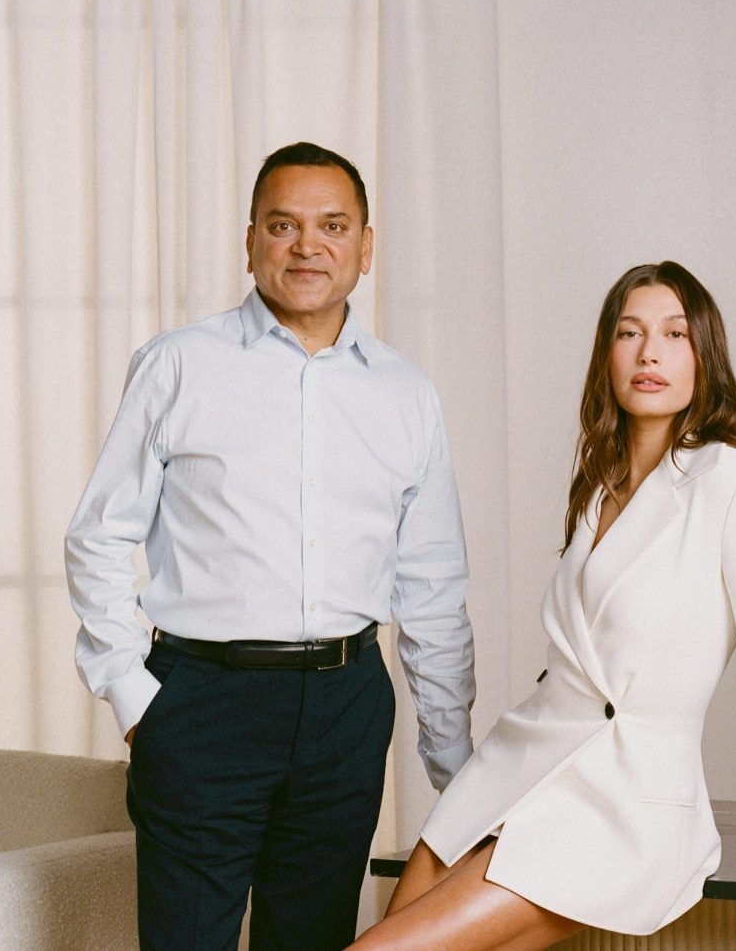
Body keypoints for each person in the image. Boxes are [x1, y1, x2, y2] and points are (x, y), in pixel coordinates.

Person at [351, 262, 736, 949]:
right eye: (630, 333)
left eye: (674, 334)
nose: (649, 353)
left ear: (704, 355)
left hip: (619, 803)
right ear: (607, 355)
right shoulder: (597, 486)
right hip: (511, 771)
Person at [65, 142, 476, 951]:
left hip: (347, 708)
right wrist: (138, 703)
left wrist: (455, 762)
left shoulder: (406, 394)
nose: (307, 246)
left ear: (365, 246)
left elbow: (433, 587)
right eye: (283, 225)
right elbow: (98, 536)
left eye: (332, 226)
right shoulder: (179, 365)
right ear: (250, 242)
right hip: (202, 705)